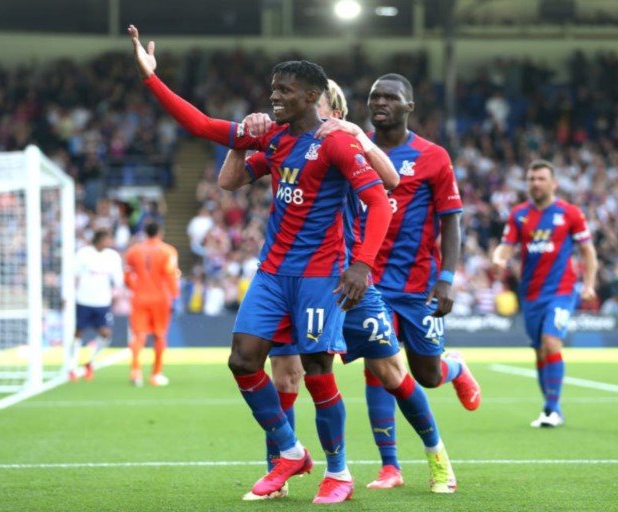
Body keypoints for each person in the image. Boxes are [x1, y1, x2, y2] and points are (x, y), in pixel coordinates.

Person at [129, 26, 392, 504]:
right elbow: (202, 126)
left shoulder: (336, 141)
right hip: (273, 273)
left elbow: (381, 202)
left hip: (320, 275)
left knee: (316, 369)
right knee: (242, 359)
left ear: (312, 96)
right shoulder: (271, 138)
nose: (274, 97)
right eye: (272, 89)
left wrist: (363, 265)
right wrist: (152, 79)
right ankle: (290, 452)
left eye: (284, 90)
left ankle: (339, 473)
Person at [229, 79, 461, 497]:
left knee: (391, 371)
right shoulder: (295, 142)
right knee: (284, 374)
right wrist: (242, 138)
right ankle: (281, 469)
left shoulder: (349, 143)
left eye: (320, 103)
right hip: (303, 278)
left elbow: (389, 183)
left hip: (352, 281)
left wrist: (355, 135)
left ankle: (434, 455)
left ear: (333, 111)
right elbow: (236, 173)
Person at [330, 74, 480, 480]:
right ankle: (389, 466)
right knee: (379, 367)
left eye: (390, 97)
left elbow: (452, 221)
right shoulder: (352, 149)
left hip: (417, 285)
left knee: (427, 376)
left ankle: (455, 368)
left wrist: (446, 277)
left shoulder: (433, 156)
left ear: (409, 106)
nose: (380, 102)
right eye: (374, 96)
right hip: (367, 281)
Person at [492, 159, 598, 428]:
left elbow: (588, 251)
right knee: (540, 352)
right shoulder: (519, 214)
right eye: (531, 179)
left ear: (554, 183)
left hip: (562, 291)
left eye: (540, 179)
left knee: (552, 342)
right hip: (530, 294)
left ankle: (551, 408)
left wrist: (588, 284)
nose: (535, 183)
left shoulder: (570, 213)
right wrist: (498, 259)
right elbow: (506, 246)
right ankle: (552, 407)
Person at [124, 222, 180, 386]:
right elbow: (171, 275)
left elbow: (127, 276)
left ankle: (135, 372)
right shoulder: (168, 251)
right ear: (160, 233)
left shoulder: (133, 251)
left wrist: (136, 288)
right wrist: (175, 296)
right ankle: (156, 375)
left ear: (145, 233)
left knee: (139, 335)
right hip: (161, 299)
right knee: (160, 335)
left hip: (140, 298)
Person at [69, 228, 124, 381]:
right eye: (107, 239)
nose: (109, 242)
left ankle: (89, 361)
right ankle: (72, 367)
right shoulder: (83, 254)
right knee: (78, 333)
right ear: (99, 240)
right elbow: (73, 275)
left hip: (102, 302)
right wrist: (68, 295)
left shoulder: (112, 256)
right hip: (84, 300)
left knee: (106, 334)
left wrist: (118, 294)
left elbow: (118, 279)